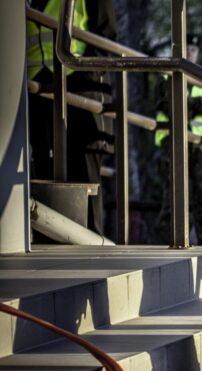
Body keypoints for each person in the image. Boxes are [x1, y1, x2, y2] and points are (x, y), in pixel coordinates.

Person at [26, 0, 117, 236]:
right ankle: (49, 249)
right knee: (46, 181)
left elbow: (106, 36)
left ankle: (91, 252)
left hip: (80, 91)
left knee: (83, 183)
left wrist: (84, 72)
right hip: (38, 90)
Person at [152, 33, 202, 245]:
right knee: (174, 199)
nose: (190, 52)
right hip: (172, 145)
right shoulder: (166, 76)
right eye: (187, 48)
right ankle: (169, 242)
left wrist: (189, 104)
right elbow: (168, 106)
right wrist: (193, 105)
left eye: (194, 50)